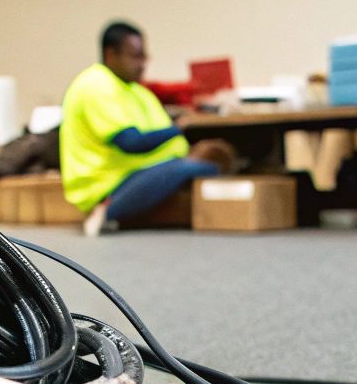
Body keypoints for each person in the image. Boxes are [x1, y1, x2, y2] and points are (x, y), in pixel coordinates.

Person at [61, 21, 232, 237]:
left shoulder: (135, 90)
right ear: (111, 54)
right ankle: (106, 209)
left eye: (144, 57)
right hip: (107, 183)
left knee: (210, 162)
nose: (142, 64)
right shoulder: (96, 85)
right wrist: (180, 127)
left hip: (144, 171)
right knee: (189, 168)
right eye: (135, 56)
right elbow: (132, 143)